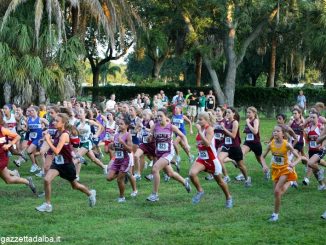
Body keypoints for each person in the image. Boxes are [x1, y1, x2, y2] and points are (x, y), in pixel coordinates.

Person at [36, 113, 96, 212]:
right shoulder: (57, 133)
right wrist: (47, 139)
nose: (54, 122)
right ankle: (47, 204)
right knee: (47, 180)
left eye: (57, 121)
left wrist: (48, 140)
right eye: (54, 120)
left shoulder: (64, 134)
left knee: (75, 185)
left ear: (63, 123)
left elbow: (56, 151)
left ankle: (90, 194)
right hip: (58, 163)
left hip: (67, 165)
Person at [189, 111, 233, 208]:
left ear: (207, 120)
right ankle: (200, 191)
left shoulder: (209, 129)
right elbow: (202, 142)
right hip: (202, 158)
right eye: (198, 119)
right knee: (192, 173)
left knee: (220, 182)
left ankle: (228, 197)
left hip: (211, 160)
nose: (198, 121)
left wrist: (200, 132)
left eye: (200, 119)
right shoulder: (201, 128)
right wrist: (198, 144)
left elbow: (208, 143)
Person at [146, 108, 191, 202]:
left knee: (155, 169)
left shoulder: (171, 126)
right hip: (159, 153)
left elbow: (182, 135)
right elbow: (149, 140)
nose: (158, 118)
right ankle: (185, 182)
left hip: (168, 152)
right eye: (157, 116)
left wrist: (186, 145)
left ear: (166, 117)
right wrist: (149, 137)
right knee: (170, 173)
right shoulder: (154, 126)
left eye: (160, 116)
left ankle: (155, 194)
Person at [262, 125, 301, 222]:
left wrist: (293, 164)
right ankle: (291, 182)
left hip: (285, 169)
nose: (275, 133)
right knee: (278, 193)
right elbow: (262, 157)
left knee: (276, 191)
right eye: (274, 131)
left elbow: (299, 157)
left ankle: (275, 215)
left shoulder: (287, 144)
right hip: (276, 170)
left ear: (283, 134)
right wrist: (264, 165)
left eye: (277, 131)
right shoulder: (271, 144)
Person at [0, 112, 36, 194]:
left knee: (8, 180)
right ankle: (24, 179)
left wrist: (9, 144)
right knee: (8, 180)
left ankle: (25, 180)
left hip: (1, 157)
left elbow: (18, 136)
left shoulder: (2, 130)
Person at [106, 116, 137, 202]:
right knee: (108, 178)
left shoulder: (128, 136)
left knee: (119, 180)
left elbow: (130, 150)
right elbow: (114, 147)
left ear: (127, 125)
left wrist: (122, 142)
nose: (119, 125)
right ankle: (124, 173)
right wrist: (111, 145)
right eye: (119, 124)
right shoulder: (116, 135)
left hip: (125, 160)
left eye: (121, 124)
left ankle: (122, 197)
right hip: (117, 160)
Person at [219, 107, 252, 187]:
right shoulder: (225, 122)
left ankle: (247, 178)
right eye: (226, 112)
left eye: (229, 112)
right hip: (226, 146)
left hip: (235, 146)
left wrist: (223, 129)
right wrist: (222, 136)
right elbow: (225, 133)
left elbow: (233, 135)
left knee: (240, 165)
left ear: (233, 113)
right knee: (219, 159)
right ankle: (226, 177)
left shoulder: (235, 122)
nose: (227, 114)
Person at [239, 107, 269, 180]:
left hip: (255, 143)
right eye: (247, 112)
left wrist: (248, 123)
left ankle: (267, 171)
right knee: (241, 154)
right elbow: (248, 130)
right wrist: (245, 130)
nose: (248, 114)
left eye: (249, 112)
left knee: (260, 159)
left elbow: (255, 131)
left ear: (254, 113)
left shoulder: (256, 120)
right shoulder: (248, 120)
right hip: (248, 142)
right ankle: (243, 173)